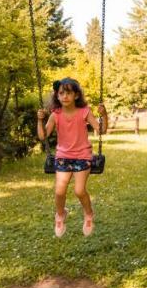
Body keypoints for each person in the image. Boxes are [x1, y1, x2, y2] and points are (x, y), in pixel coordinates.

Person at [36, 78, 108, 238]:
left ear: (76, 95)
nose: (65, 96)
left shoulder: (84, 112)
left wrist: (104, 115)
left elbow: (101, 129)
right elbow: (43, 135)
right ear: (58, 96)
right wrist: (40, 120)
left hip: (82, 156)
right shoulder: (56, 115)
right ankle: (60, 215)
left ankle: (89, 214)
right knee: (59, 190)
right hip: (63, 156)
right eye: (61, 93)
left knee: (79, 190)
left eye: (68, 93)